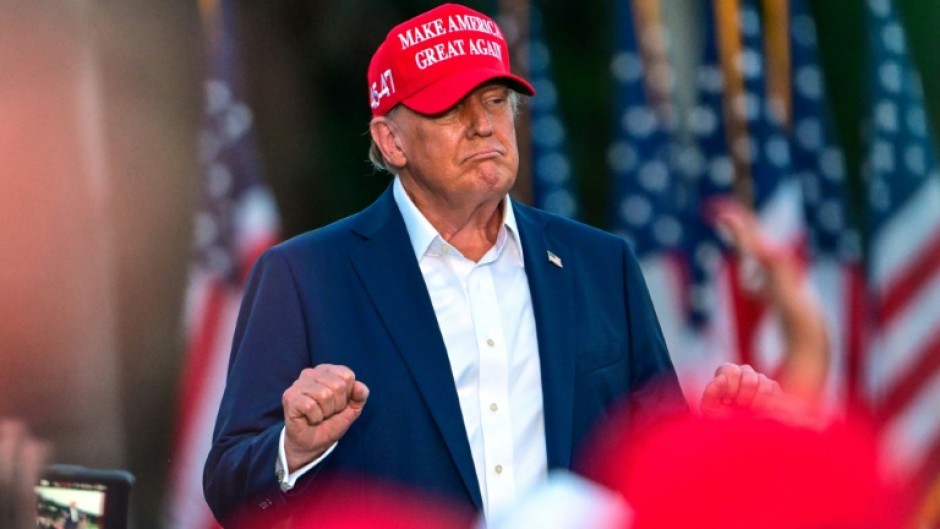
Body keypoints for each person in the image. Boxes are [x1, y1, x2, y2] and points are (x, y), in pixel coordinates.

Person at [203, 3, 781, 525]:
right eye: (452, 108)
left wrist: (712, 439)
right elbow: (229, 488)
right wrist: (292, 449)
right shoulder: (305, 276)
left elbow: (656, 465)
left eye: (497, 102)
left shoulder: (601, 265)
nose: (485, 125)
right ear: (392, 140)